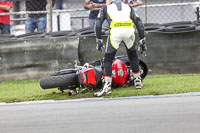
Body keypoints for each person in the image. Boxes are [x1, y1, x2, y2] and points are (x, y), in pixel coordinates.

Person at [94, 0, 147, 97]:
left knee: (108, 59)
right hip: (129, 31)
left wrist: (98, 40)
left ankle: (107, 86)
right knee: (133, 55)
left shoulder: (105, 8)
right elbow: (138, 22)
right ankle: (138, 82)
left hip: (115, 32)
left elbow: (98, 23)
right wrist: (142, 39)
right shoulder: (128, 7)